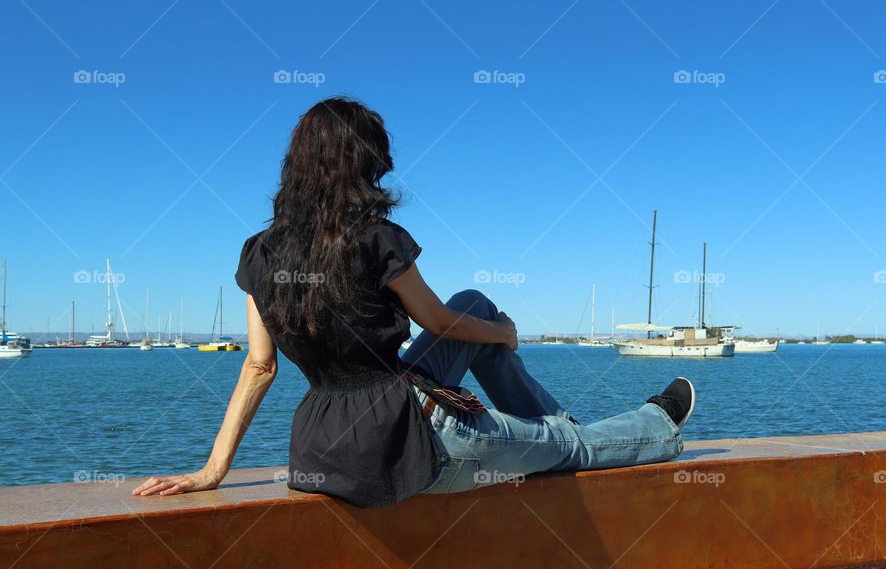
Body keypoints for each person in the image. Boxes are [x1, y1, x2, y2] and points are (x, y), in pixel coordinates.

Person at [133, 97, 694, 507]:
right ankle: (656, 423)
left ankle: (544, 419)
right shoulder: (375, 238)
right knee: (565, 446)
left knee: (475, 301)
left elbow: (260, 365)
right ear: (361, 167)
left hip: (319, 455)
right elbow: (435, 320)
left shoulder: (257, 253)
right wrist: (505, 334)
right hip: (409, 446)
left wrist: (213, 469)